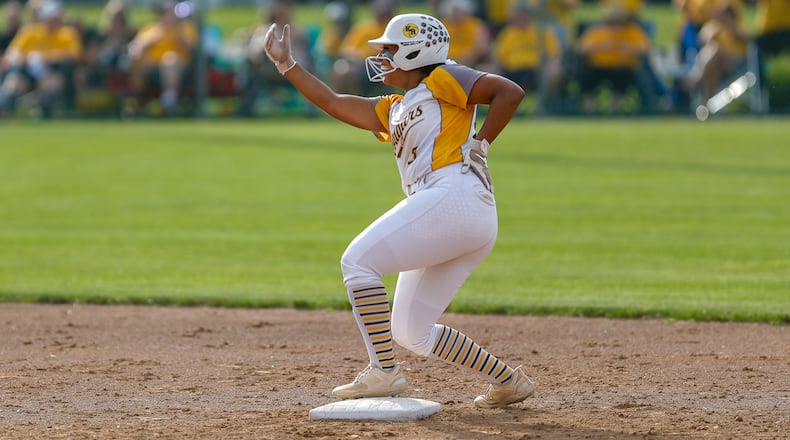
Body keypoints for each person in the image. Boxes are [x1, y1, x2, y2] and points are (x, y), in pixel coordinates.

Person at [261, 13, 536, 408]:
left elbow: (509, 91)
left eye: (389, 49)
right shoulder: (396, 106)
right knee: (410, 331)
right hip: (464, 213)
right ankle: (508, 381)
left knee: (357, 262)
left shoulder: (442, 77)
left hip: (452, 195)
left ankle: (384, 373)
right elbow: (333, 102)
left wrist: (482, 142)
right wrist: (287, 65)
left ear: (415, 51)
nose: (382, 56)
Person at [0, 0, 82, 117]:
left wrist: (46, 57)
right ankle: (6, 113)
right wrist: (27, 58)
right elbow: (12, 53)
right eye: (49, 18)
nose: (51, 21)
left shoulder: (66, 33)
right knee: (13, 83)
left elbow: (75, 55)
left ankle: (42, 112)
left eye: (54, 17)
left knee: (51, 83)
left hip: (53, 71)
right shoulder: (30, 32)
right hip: (27, 71)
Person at [236, 0, 313, 117]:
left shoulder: (297, 32)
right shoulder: (264, 30)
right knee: (251, 65)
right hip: (267, 70)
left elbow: (306, 54)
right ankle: (245, 108)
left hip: (294, 70)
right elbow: (254, 53)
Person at [575, 4, 651, 113]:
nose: (615, 26)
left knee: (623, 75)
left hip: (622, 67)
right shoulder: (598, 31)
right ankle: (590, 111)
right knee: (586, 75)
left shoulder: (632, 32)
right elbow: (581, 48)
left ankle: (615, 110)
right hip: (598, 67)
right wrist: (599, 47)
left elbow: (645, 49)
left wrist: (628, 48)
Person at [127, 0, 198, 115]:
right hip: (152, 68)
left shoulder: (185, 27)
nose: (167, 15)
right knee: (136, 59)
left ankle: (168, 102)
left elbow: (191, 49)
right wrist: (151, 41)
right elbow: (136, 48)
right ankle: (136, 100)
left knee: (170, 60)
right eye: (164, 12)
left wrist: (177, 33)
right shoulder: (150, 29)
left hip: (179, 68)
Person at [494, 3, 564, 111]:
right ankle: (498, 108)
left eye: (521, 16)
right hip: (511, 71)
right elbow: (498, 56)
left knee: (554, 71)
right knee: (489, 71)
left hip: (535, 71)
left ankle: (546, 106)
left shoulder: (541, 32)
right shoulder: (508, 33)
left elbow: (554, 54)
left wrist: (551, 64)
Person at [683, 1, 749, 103]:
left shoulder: (738, 27)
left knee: (717, 51)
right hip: (715, 65)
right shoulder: (715, 26)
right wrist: (714, 31)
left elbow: (747, 40)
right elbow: (701, 39)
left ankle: (696, 79)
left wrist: (730, 27)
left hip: (736, 65)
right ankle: (709, 106)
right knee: (712, 68)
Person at [329, 0, 395, 95]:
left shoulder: (392, 30)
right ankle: (346, 101)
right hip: (361, 64)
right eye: (380, 13)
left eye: (385, 13)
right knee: (342, 69)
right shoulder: (363, 28)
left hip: (383, 65)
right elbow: (346, 50)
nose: (382, 16)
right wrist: (362, 56)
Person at [437, 0, 492, 70]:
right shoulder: (442, 26)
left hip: (472, 62)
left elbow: (483, 48)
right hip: (447, 62)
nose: (457, 15)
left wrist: (470, 55)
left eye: (460, 12)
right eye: (454, 12)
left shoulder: (475, 25)